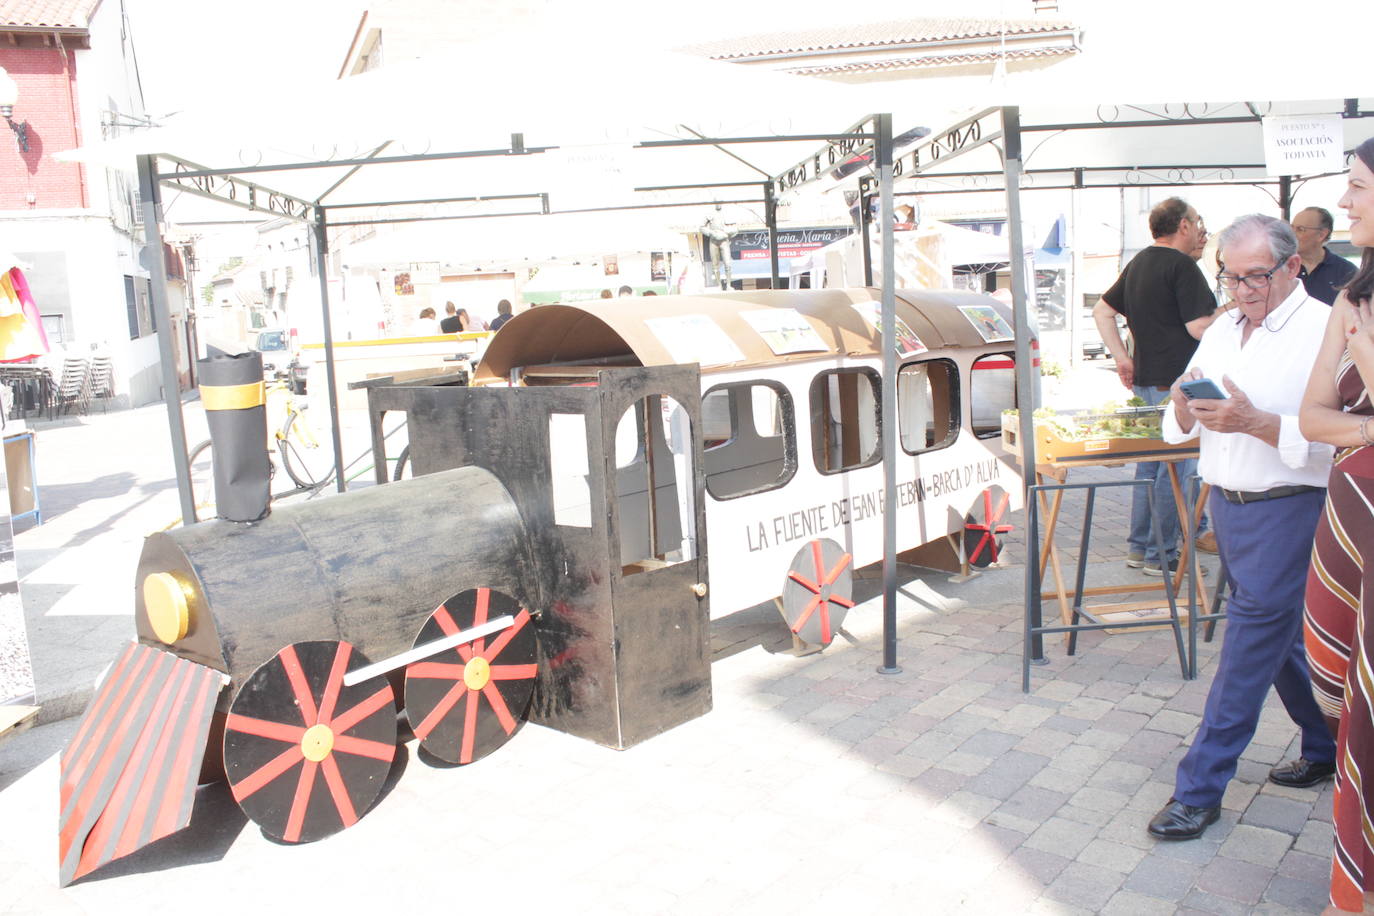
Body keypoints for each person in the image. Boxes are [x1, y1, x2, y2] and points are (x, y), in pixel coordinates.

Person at [1146, 213, 1336, 844]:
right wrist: (1182, 401)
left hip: (1289, 506)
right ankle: (1329, 738)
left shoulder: (1326, 329)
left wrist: (1259, 423)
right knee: (1277, 637)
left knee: (1248, 644)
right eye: (1230, 277)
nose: (1243, 291)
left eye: (1256, 277)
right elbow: (1184, 421)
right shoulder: (1226, 325)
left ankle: (1199, 788)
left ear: (1292, 266)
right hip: (1226, 503)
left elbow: (1345, 443)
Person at [1299, 137, 1374, 915]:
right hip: (1352, 520)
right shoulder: (1354, 293)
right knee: (1344, 692)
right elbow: (1313, 417)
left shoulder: (1352, 313)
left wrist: (1361, 349)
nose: (1347, 203)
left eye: (1357, 187)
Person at [1093, 197, 1218, 575]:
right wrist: (1230, 314)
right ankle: (1159, 554)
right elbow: (1200, 328)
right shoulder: (1181, 266)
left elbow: (1102, 311)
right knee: (1176, 469)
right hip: (1177, 384)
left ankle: (1140, 547)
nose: (1199, 229)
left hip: (1147, 378)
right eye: (1197, 222)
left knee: (1150, 467)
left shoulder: (1139, 262)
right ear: (1183, 225)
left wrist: (1122, 357)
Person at [1292, 206, 1358, 306]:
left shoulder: (1347, 272)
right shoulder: (1281, 267)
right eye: (1291, 228)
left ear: (1321, 235)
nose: (1292, 234)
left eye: (1300, 229)